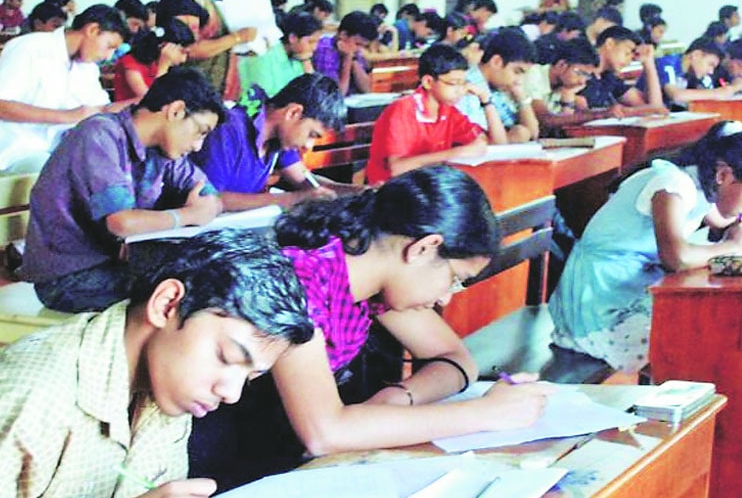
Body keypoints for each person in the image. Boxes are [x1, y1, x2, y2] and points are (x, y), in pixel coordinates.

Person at [189, 165, 555, 491]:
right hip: (236, 476)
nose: (446, 297)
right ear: (424, 248)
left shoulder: (371, 285)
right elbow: (324, 433)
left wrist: (398, 398)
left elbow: (456, 359)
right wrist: (485, 414)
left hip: (302, 466)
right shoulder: (303, 285)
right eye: (454, 278)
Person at [0, 229, 314, 498]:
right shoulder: (32, 396)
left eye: (249, 377)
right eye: (227, 357)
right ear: (167, 305)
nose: (231, 393)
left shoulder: (171, 384)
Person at [549, 122, 742, 375]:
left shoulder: (702, 185)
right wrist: (733, 245)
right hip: (600, 301)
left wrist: (741, 233)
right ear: (724, 175)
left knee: (712, 331)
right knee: (688, 351)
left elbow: (721, 220)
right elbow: (677, 257)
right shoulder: (673, 185)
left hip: (628, 289)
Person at [19, 67, 225, 313]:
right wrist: (188, 215)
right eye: (201, 132)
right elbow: (121, 223)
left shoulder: (164, 152)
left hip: (114, 267)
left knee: (210, 278)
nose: (198, 145)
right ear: (176, 111)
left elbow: (209, 197)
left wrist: (206, 206)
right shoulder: (100, 135)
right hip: (68, 279)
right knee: (187, 294)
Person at [192, 74, 354, 211]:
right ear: (293, 112)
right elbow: (210, 199)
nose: (308, 145)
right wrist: (294, 198)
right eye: (311, 134)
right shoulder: (228, 130)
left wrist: (359, 192)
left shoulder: (279, 139)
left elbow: (306, 181)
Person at [0, 4, 131, 174]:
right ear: (92, 30)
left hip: (61, 150)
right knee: (54, 173)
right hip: (17, 150)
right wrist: (68, 116)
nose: (108, 56)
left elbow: (101, 109)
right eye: (109, 46)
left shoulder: (87, 67)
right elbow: (2, 105)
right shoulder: (30, 48)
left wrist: (142, 102)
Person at [365, 45, 488, 183]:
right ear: (428, 82)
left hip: (426, 184)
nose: (460, 91)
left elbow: (484, 140)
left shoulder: (448, 110)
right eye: (453, 83)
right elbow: (397, 168)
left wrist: (486, 101)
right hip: (392, 187)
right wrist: (455, 153)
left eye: (464, 84)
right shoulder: (403, 110)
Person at [157, 0, 257, 100]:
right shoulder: (180, 0)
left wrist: (241, 47)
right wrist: (237, 37)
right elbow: (188, 50)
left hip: (210, 87)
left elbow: (214, 42)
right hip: (190, 91)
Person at [454, 27, 539, 143]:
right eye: (517, 72)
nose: (519, 81)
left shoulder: (494, 89)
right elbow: (480, 140)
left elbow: (532, 134)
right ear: (496, 62)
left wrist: (521, 98)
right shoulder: (468, 87)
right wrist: (515, 136)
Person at [579, 26, 663, 111]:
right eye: (627, 53)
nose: (628, 62)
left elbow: (655, 107)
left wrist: (648, 63)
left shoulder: (608, 78)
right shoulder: (578, 72)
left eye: (632, 58)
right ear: (610, 44)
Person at [239, 12, 322, 97]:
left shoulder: (299, 57)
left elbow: (312, 93)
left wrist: (306, 62)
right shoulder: (264, 54)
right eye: (310, 42)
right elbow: (264, 95)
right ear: (293, 38)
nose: (314, 47)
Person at [113, 20, 194, 101]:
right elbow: (149, 100)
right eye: (182, 52)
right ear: (164, 46)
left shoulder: (167, 67)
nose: (183, 59)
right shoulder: (131, 64)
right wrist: (163, 68)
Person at [658, 38, 742, 110]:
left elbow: (710, 93)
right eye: (710, 64)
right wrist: (717, 93)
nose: (711, 71)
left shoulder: (699, 74)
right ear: (696, 55)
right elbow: (676, 95)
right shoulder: (668, 63)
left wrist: (733, 88)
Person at [312, 10, 378, 96]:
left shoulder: (355, 51)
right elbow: (337, 95)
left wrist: (353, 60)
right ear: (343, 34)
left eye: (363, 46)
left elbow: (367, 89)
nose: (359, 49)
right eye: (357, 44)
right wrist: (347, 58)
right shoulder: (324, 49)